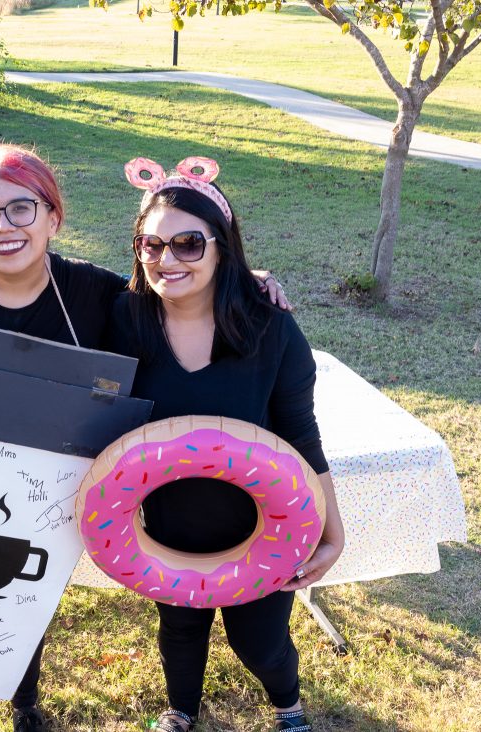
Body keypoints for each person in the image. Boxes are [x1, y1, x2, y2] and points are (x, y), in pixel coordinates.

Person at [0, 144, 289, 732]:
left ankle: (25, 708)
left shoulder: (91, 293)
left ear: (53, 217)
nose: (4, 227)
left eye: (22, 208)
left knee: (18, 596)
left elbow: (170, 281)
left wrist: (246, 278)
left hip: (37, 491)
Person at [106, 157, 346, 732]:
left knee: (260, 642)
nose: (167, 259)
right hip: (169, 527)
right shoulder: (124, 319)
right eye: (151, 244)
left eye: (189, 243)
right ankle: (180, 709)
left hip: (263, 531)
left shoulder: (271, 329)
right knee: (180, 631)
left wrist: (333, 532)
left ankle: (288, 705)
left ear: (221, 247)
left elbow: (302, 434)